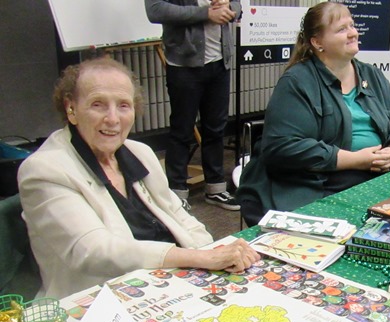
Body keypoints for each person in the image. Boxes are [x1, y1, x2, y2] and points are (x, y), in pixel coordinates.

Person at [18, 57, 259, 299]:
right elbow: (95, 251)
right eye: (98, 105)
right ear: (71, 108)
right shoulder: (44, 169)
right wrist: (199, 258)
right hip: (99, 302)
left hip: (169, 284)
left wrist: (211, 254)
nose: (113, 119)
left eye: (123, 105)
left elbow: (183, 219)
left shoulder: (139, 152)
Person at [236, 2, 390, 227]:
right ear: (317, 42)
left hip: (376, 175)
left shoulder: (370, 74)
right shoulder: (297, 82)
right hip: (317, 184)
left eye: (352, 25)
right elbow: (281, 147)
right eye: (342, 29)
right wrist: (356, 160)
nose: (353, 33)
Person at [145, 0, 241, 211]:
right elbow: (155, 10)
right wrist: (206, 13)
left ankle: (215, 188)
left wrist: (229, 10)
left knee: (216, 127)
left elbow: (237, 5)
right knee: (182, 129)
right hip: (183, 64)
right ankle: (176, 193)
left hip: (220, 62)